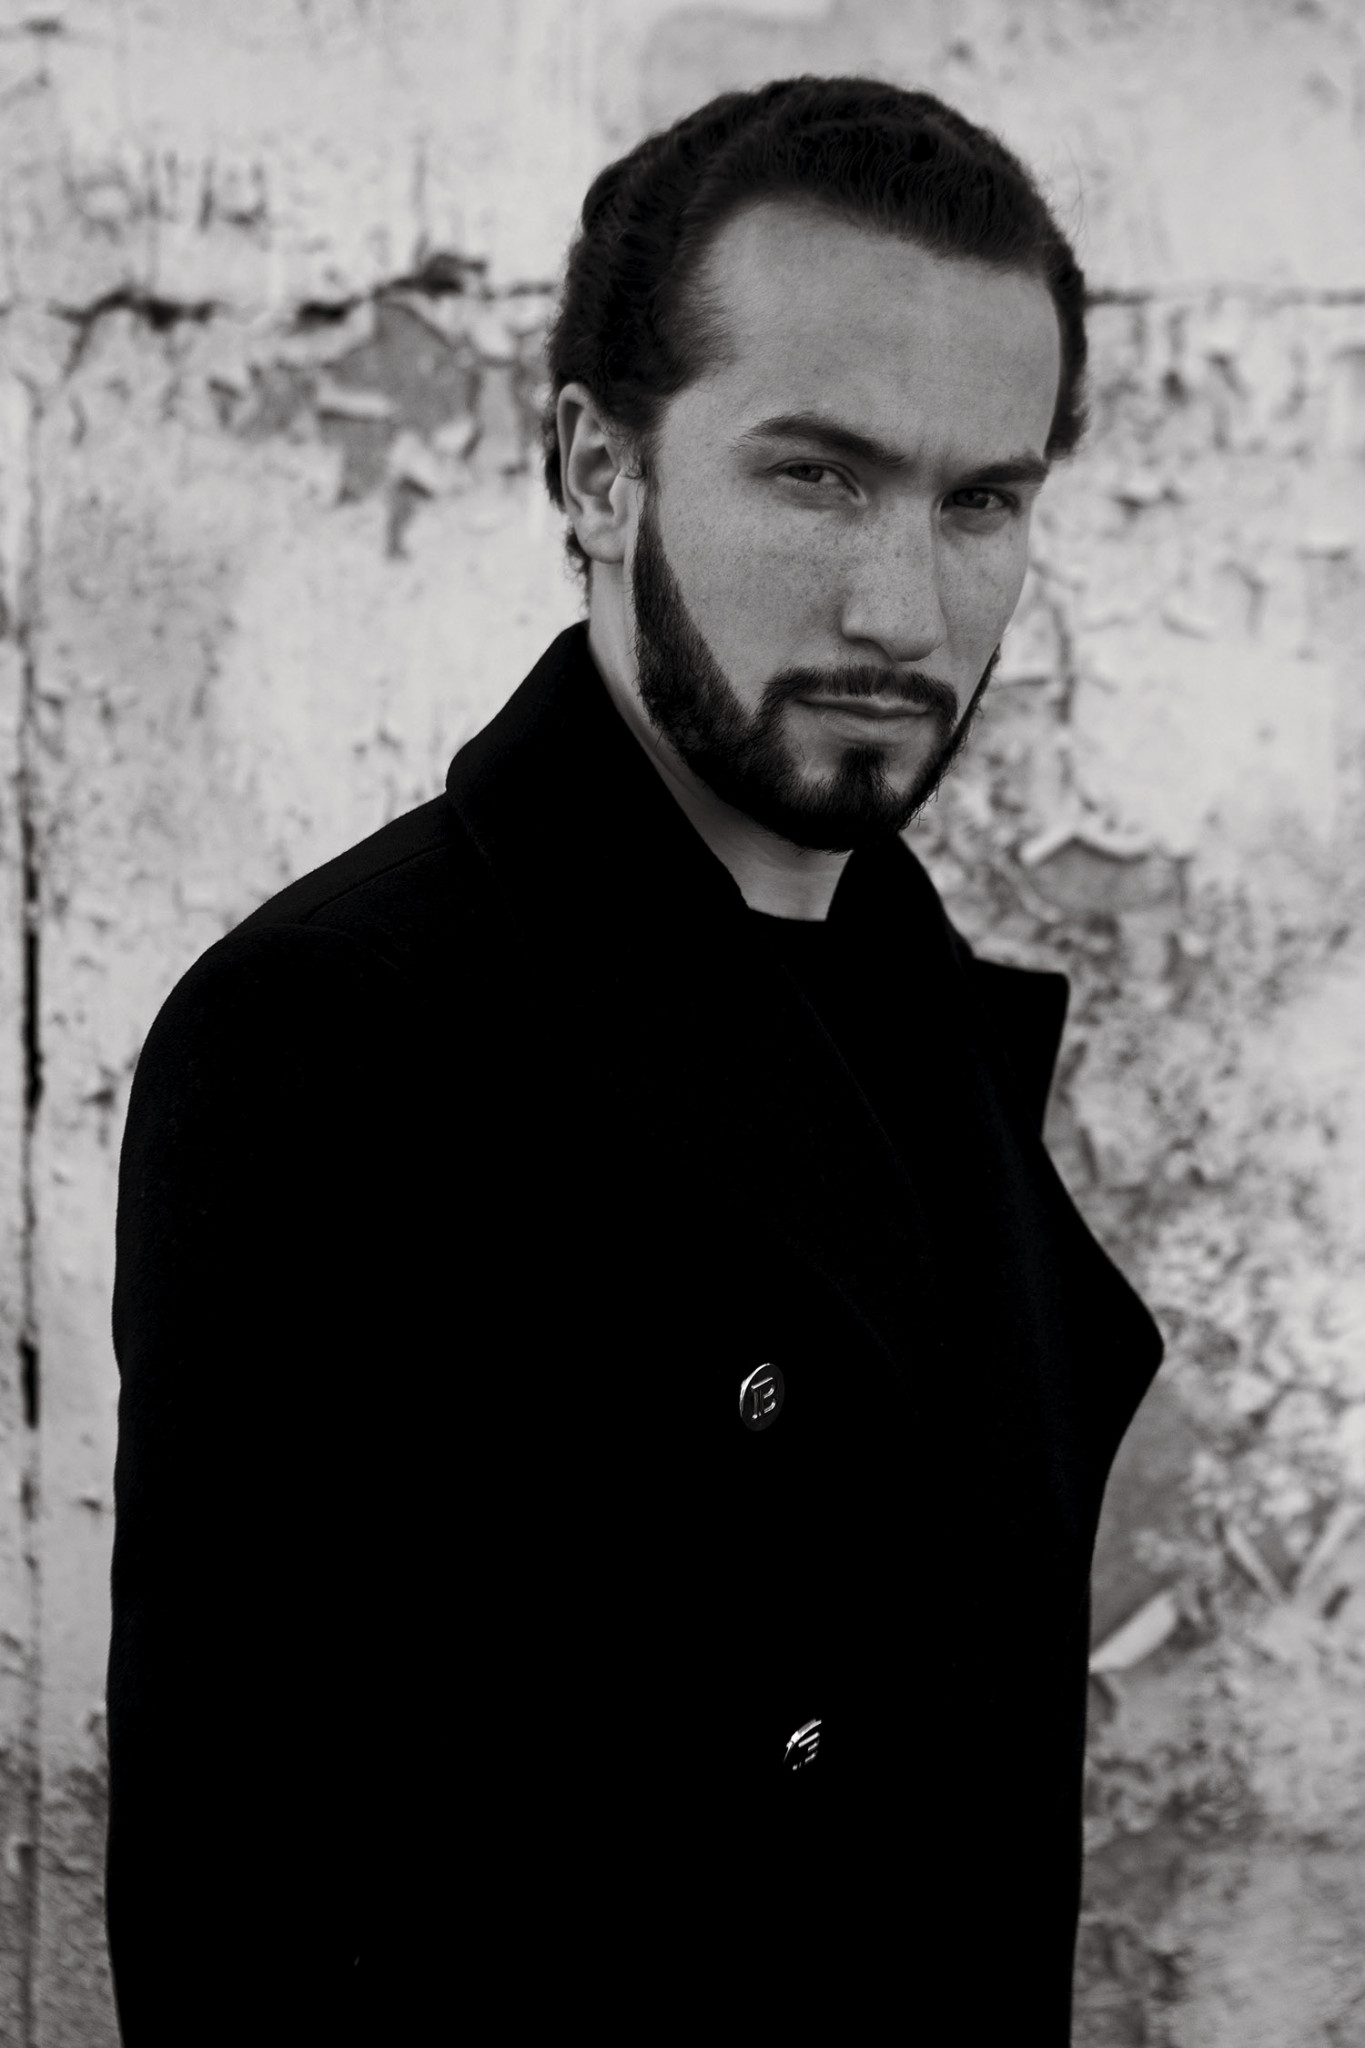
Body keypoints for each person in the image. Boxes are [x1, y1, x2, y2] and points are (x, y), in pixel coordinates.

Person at [106, 75, 1163, 2044]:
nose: (900, 607)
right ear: (598, 472)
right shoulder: (335, 1029)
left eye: (978, 500)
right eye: (816, 476)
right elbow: (238, 1908)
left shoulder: (917, 1006)